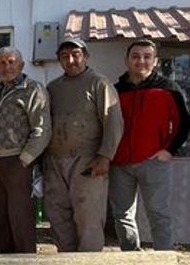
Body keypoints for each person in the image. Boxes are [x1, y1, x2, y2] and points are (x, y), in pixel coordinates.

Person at [109, 39, 190, 251]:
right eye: (135, 56)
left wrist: (169, 150)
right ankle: (131, 255)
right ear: (127, 60)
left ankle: (164, 257)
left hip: (153, 161)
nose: (141, 61)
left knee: (158, 213)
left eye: (147, 57)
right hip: (120, 163)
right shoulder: (115, 90)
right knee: (122, 215)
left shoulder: (168, 89)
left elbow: (184, 122)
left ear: (155, 61)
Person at [43, 38, 122, 252]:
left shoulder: (99, 83)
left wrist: (105, 157)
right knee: (58, 216)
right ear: (59, 60)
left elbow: (113, 122)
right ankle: (67, 258)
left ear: (85, 56)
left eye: (75, 54)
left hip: (88, 161)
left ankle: (89, 259)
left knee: (89, 218)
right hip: (55, 161)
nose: (71, 60)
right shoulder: (53, 88)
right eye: (65, 56)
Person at [0, 46, 51, 254]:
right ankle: (4, 258)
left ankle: (25, 259)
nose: (7, 66)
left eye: (11, 61)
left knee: (20, 216)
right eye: (2, 63)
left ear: (21, 65)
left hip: (18, 160)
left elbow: (42, 128)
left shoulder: (32, 89)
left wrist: (25, 159)